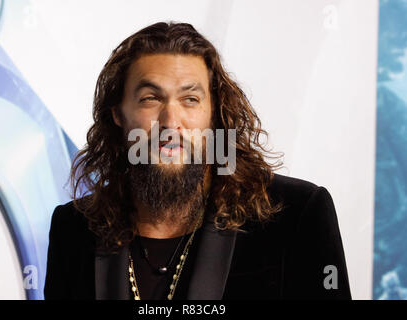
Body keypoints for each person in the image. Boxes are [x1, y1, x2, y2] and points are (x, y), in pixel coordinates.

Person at [44, 22, 351, 300]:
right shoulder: (74, 229)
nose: (171, 121)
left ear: (213, 115)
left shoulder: (296, 215)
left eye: (190, 99)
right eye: (150, 98)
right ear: (118, 115)